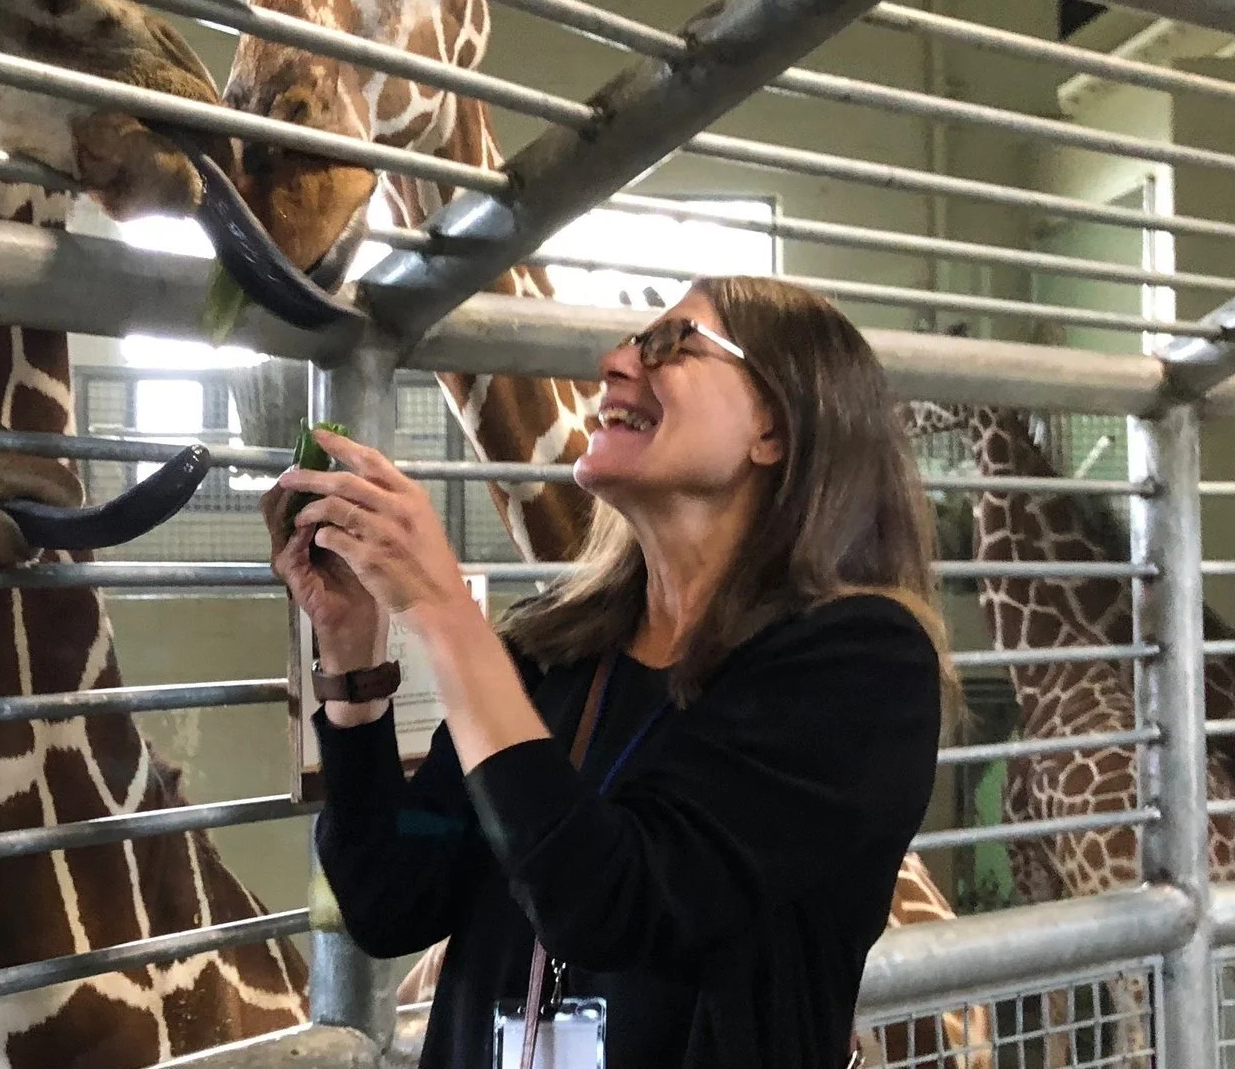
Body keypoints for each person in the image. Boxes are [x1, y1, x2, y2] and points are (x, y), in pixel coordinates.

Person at [272, 277, 952, 1068]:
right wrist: (353, 662)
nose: (614, 363)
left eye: (670, 344)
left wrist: (440, 609)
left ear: (774, 425)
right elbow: (391, 894)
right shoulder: (550, 652)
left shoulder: (861, 666)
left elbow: (615, 900)